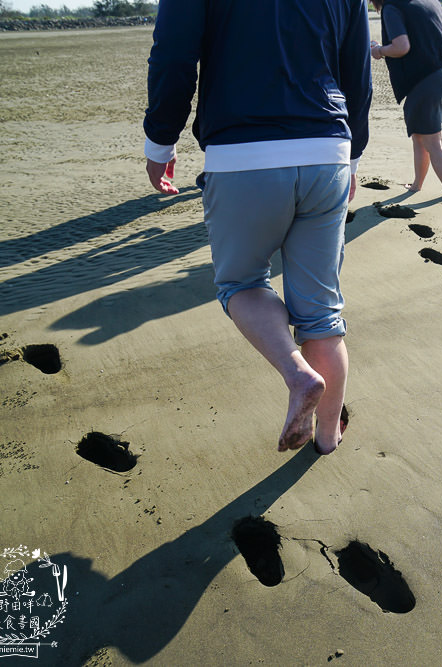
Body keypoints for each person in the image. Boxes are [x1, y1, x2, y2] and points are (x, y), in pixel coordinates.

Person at [143, 0, 372, 455]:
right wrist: (354, 154)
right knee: (320, 313)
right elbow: (357, 66)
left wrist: (160, 140)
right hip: (326, 149)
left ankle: (297, 374)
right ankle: (327, 437)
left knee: (241, 283)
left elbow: (173, 53)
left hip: (242, 151)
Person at [370, 0, 442, 197]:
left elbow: (401, 46)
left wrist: (378, 50)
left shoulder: (392, 7)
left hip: (425, 81)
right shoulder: (430, 1)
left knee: (433, 142)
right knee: (421, 136)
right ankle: (416, 185)